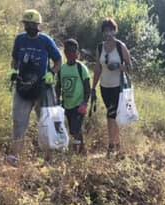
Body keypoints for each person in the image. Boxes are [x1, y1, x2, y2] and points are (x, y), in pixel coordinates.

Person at [7, 9, 61, 166]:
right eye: (27, 24)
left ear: (38, 25)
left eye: (32, 24)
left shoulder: (46, 41)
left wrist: (51, 73)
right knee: (19, 122)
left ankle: (49, 159)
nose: (29, 27)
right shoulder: (19, 40)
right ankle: (15, 157)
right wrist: (13, 71)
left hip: (42, 88)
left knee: (45, 122)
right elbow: (14, 59)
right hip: (23, 87)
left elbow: (58, 60)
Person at [91, 18, 133, 155]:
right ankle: (118, 144)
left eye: (111, 30)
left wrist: (119, 66)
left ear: (115, 31)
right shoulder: (100, 47)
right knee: (113, 116)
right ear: (103, 32)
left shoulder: (121, 47)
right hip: (104, 87)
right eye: (106, 30)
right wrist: (93, 88)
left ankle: (111, 146)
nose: (108, 33)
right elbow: (97, 68)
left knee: (110, 115)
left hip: (118, 87)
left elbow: (131, 68)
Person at [57, 38, 91, 153]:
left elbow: (87, 88)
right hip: (67, 105)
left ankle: (76, 152)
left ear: (77, 53)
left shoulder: (81, 68)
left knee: (76, 128)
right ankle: (82, 150)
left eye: (73, 51)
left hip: (79, 104)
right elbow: (58, 86)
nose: (71, 54)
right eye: (68, 51)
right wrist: (57, 101)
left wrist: (84, 103)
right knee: (72, 129)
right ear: (65, 53)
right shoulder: (62, 69)